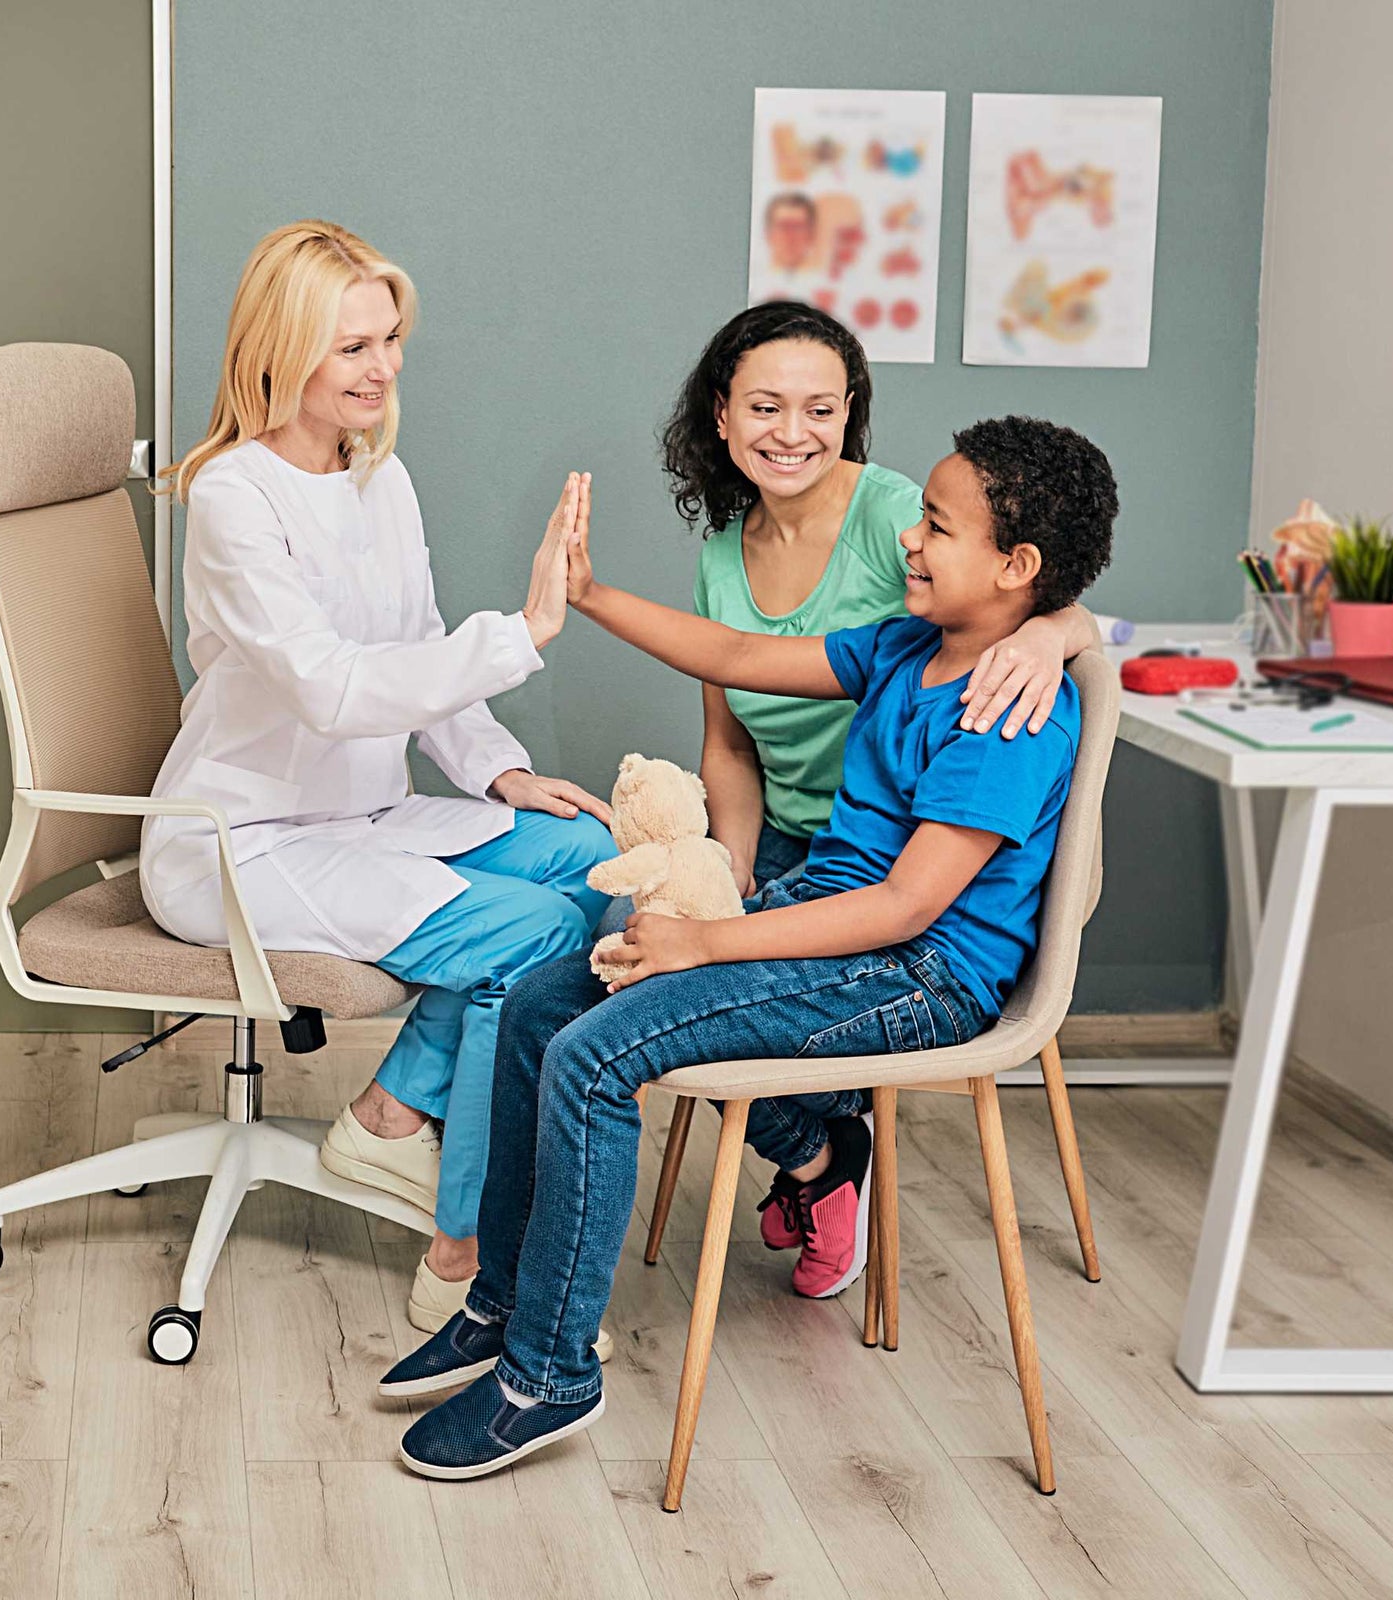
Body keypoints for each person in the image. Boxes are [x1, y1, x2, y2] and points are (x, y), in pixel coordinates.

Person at [384, 414, 1117, 1480]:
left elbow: (908, 908)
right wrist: (587, 595)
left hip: (916, 976)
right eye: (919, 516)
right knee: (549, 999)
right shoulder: (906, 645)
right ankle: (502, 1304)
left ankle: (548, 1376)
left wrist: (708, 939)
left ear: (1018, 568)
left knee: (595, 1054)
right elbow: (734, 655)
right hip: (829, 930)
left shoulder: (1008, 712)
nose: (910, 538)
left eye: (939, 526)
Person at [142, 220, 617, 1339]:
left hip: (364, 816)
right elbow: (334, 690)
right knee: (535, 937)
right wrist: (529, 630)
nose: (383, 366)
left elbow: (421, 656)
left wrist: (501, 772)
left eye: (390, 338)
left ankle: (391, 1112)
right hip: (240, 842)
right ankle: (468, 1245)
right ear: (279, 349)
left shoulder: (379, 480)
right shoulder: (230, 496)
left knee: (598, 866)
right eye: (351, 345)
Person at [660, 303, 1096, 905]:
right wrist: (733, 866)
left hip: (894, 846)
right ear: (722, 414)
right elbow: (730, 744)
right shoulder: (719, 562)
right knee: (620, 928)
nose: (791, 434)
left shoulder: (898, 517)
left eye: (819, 410)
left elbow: (1021, 585)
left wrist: (1048, 634)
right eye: (765, 408)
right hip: (783, 839)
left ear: (847, 413)